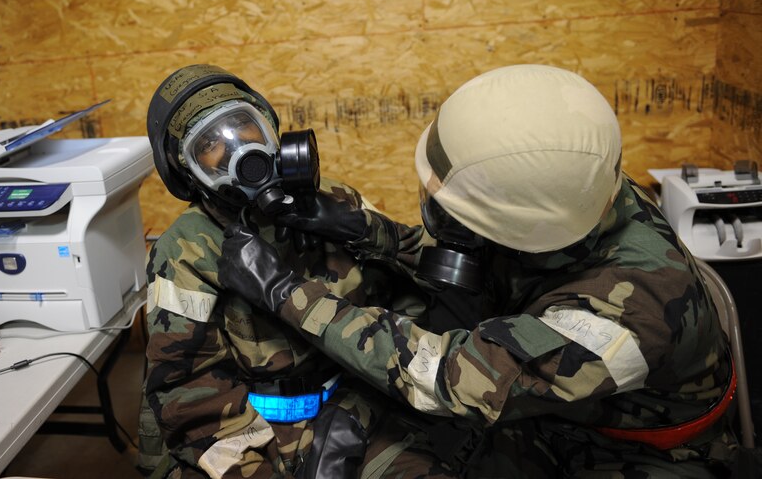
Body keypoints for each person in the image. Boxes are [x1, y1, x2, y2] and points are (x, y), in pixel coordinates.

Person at [217, 64, 739, 477]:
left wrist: (287, 292)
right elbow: (476, 254)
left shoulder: (628, 313)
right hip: (563, 412)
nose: (440, 216)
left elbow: (445, 375)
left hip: (629, 454)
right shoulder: (578, 184)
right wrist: (362, 227)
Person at [140, 64, 457, 479]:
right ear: (188, 173)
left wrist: (360, 228)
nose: (238, 151)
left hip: (361, 405)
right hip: (252, 429)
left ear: (270, 130)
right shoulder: (186, 248)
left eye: (242, 126)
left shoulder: (333, 201)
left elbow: (414, 296)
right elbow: (190, 394)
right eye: (210, 144)